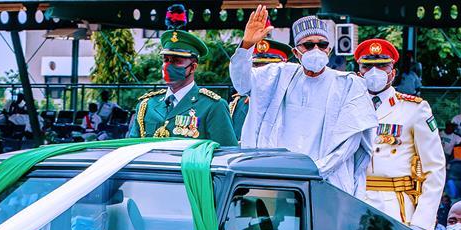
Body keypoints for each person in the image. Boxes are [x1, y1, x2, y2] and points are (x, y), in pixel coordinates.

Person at [231, 8, 376, 197]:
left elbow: (349, 143)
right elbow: (241, 84)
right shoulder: (279, 75)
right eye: (308, 45)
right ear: (296, 52)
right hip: (280, 179)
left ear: (329, 50)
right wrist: (247, 45)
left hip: (328, 181)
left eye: (322, 44)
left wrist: (315, 171)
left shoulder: (349, 85)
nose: (316, 50)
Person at [356, 38, 445, 230]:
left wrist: (422, 222)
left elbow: (434, 168)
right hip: (354, 199)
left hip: (396, 204)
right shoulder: (347, 106)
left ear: (393, 72)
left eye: (382, 66)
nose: (374, 72)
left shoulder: (414, 109)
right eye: (367, 67)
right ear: (358, 72)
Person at [129, 16, 237, 147]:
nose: (168, 66)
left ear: (193, 67)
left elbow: (226, 154)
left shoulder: (213, 106)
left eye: (176, 61)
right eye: (166, 60)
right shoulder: (147, 106)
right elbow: (131, 149)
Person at [228, 39, 291, 140]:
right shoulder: (241, 103)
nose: (262, 72)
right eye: (256, 66)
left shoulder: (292, 99)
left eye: (269, 67)